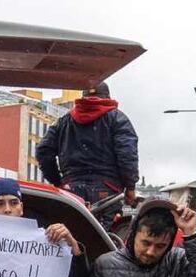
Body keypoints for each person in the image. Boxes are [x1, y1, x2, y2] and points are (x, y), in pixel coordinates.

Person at [36, 82, 139, 227]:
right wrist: (130, 186)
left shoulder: (64, 122)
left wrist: (58, 182)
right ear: (107, 96)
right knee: (104, 238)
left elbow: (43, 151)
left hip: (71, 189)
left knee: (71, 234)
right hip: (107, 190)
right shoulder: (118, 119)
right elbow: (127, 154)